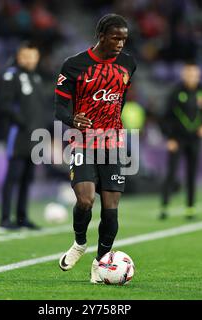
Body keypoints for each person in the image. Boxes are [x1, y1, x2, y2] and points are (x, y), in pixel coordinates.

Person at [54, 14, 136, 283]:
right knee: (86, 200)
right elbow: (60, 108)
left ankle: (100, 264)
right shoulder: (74, 65)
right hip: (83, 141)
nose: (121, 43)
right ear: (101, 35)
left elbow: (120, 101)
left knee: (111, 208)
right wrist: (73, 118)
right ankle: (79, 243)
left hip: (112, 142)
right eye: (116, 38)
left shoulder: (128, 65)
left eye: (124, 38)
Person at [0, 42, 46, 231]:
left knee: (28, 177)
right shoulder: (11, 76)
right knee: (13, 176)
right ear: (19, 57)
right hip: (17, 134)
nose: (30, 60)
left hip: (35, 136)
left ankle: (21, 217)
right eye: (27, 56)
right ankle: (4, 218)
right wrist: (22, 122)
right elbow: (4, 105)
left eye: (34, 56)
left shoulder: (36, 78)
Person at [159, 62, 202, 220]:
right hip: (177, 139)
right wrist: (169, 138)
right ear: (183, 75)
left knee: (192, 174)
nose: (191, 77)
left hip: (194, 139)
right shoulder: (175, 92)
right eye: (188, 74)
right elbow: (164, 117)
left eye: (194, 74)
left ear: (198, 75)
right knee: (171, 173)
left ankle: (190, 208)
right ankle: (164, 207)